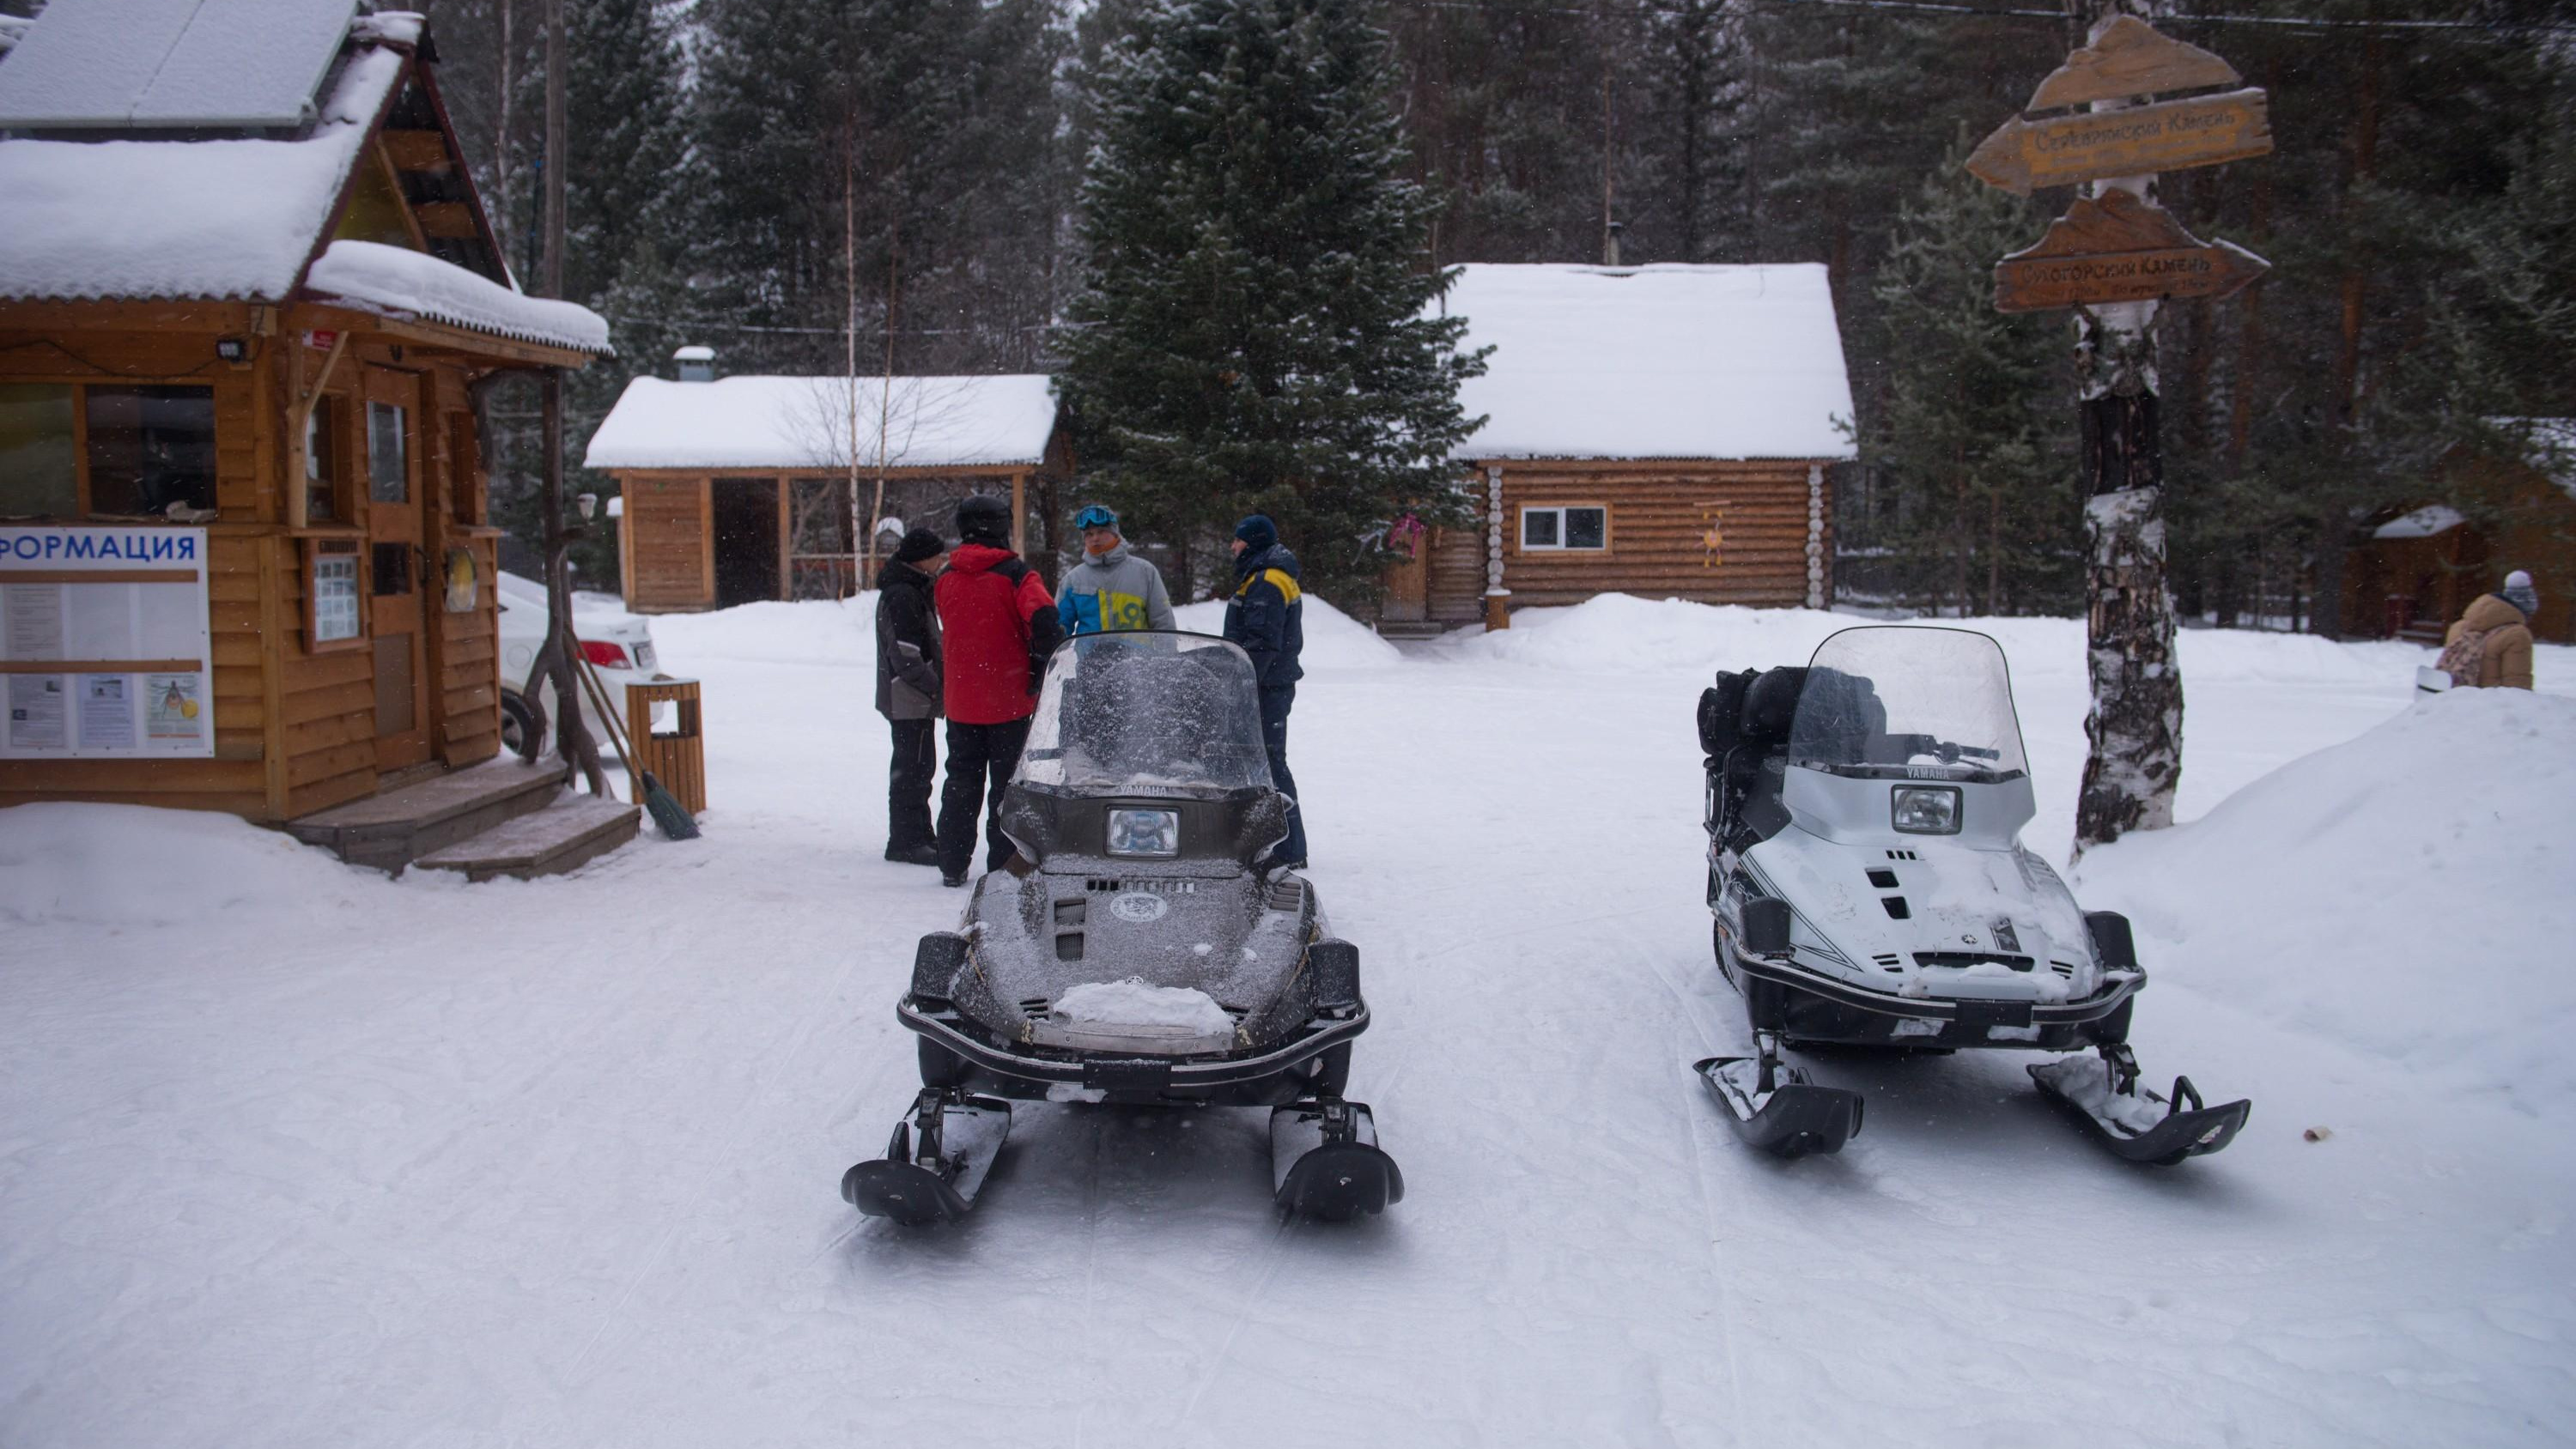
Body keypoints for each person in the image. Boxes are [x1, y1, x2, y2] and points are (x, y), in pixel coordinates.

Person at [933, 494, 1064, 887]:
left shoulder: (944, 576)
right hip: (1007, 700)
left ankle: (952, 861)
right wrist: (1041, 664)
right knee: (1006, 789)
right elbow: (1045, 617)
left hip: (961, 701)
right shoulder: (1017, 575)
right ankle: (1003, 867)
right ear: (1001, 526)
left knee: (960, 781)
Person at [1222, 512, 1308, 868]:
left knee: (1269, 763)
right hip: (1270, 684)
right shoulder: (1265, 575)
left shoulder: (1266, 581)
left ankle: (1287, 847)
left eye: (1238, 539)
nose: (1233, 545)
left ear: (1253, 542)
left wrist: (1242, 685)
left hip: (1264, 687)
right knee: (1264, 763)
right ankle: (1280, 843)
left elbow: (1262, 644)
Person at [873, 528, 946, 866]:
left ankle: (918, 835)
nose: (941, 561)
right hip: (908, 699)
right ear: (922, 558)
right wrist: (937, 686)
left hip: (910, 697)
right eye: (937, 555)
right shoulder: (903, 593)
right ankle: (906, 841)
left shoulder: (909, 587)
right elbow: (906, 657)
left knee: (918, 769)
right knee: (912, 772)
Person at [1056, 504, 1176, 636]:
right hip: (1091, 657)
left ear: (1115, 533)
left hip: (1139, 656)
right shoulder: (1073, 580)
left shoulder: (1145, 572)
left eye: (1101, 532)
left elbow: (1163, 623)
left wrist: (1167, 656)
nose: (1095, 538)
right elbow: (1059, 629)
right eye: (1089, 534)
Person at [2439, 569, 2537, 689]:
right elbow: (2517, 683)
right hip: (2488, 705)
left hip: (2449, 700)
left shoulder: (2459, 627)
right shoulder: (2517, 635)